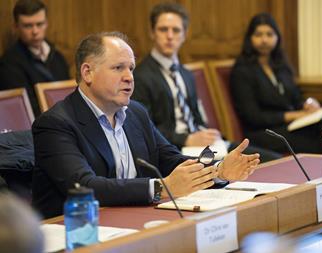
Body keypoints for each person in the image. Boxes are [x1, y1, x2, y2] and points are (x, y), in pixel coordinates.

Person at [32, 31, 260, 219]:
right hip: (81, 230)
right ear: (87, 72)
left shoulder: (135, 113)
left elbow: (169, 159)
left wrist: (218, 171)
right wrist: (161, 188)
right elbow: (85, 187)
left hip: (135, 217)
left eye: (131, 68)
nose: (129, 77)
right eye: (118, 68)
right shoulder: (55, 124)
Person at [133, 3, 280, 162]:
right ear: (152, 33)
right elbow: (144, 128)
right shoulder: (140, 76)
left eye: (176, 30)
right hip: (173, 151)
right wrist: (185, 139)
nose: (170, 36)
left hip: (206, 146)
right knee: (235, 169)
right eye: (163, 29)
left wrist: (209, 134)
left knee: (274, 161)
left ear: (184, 35)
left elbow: (197, 117)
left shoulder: (186, 74)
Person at [230, 13, 322, 154]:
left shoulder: (281, 65)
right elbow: (253, 116)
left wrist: (308, 103)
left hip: (289, 125)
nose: (264, 39)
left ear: (277, 37)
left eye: (269, 34)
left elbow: (296, 97)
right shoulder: (242, 70)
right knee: (312, 140)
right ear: (249, 38)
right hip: (263, 132)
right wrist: (293, 115)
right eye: (258, 34)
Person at [0, 0, 70, 116]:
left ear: (46, 23)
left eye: (39, 24)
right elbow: (24, 110)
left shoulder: (58, 57)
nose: (35, 31)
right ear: (16, 27)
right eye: (28, 26)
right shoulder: (8, 64)